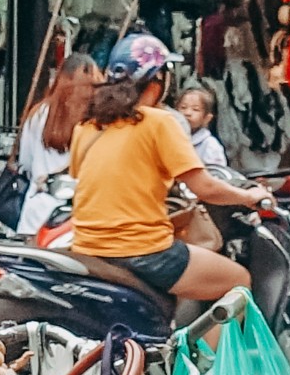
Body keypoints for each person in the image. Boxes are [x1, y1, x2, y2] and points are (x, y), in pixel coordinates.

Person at [69, 34, 268, 311]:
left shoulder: (87, 127)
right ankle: (207, 356)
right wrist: (249, 196)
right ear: (158, 81)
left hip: (87, 248)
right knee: (237, 280)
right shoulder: (159, 122)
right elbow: (205, 189)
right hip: (143, 252)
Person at [13, 52, 99, 234]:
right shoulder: (95, 121)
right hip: (78, 215)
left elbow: (25, 163)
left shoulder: (38, 113)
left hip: (36, 212)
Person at [174, 85, 229, 168]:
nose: (187, 113)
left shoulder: (210, 145)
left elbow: (215, 173)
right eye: (183, 107)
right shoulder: (171, 137)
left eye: (195, 109)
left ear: (207, 118)